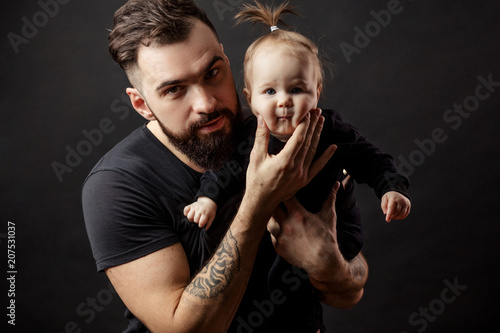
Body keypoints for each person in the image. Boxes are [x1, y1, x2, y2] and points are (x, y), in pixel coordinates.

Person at [82, 1, 369, 332]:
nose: (206, 103)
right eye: (175, 89)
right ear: (141, 104)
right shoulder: (117, 186)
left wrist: (328, 264)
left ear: (226, 59)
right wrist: (257, 203)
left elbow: (350, 291)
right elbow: (186, 330)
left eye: (212, 73)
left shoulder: (283, 132)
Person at [183, 0, 411, 246]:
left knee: (333, 256)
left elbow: (372, 160)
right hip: (275, 233)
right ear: (251, 99)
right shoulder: (247, 136)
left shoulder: (330, 129)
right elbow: (222, 171)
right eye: (270, 91)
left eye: (296, 89)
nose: (284, 101)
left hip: (333, 230)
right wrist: (207, 199)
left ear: (316, 92)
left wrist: (391, 188)